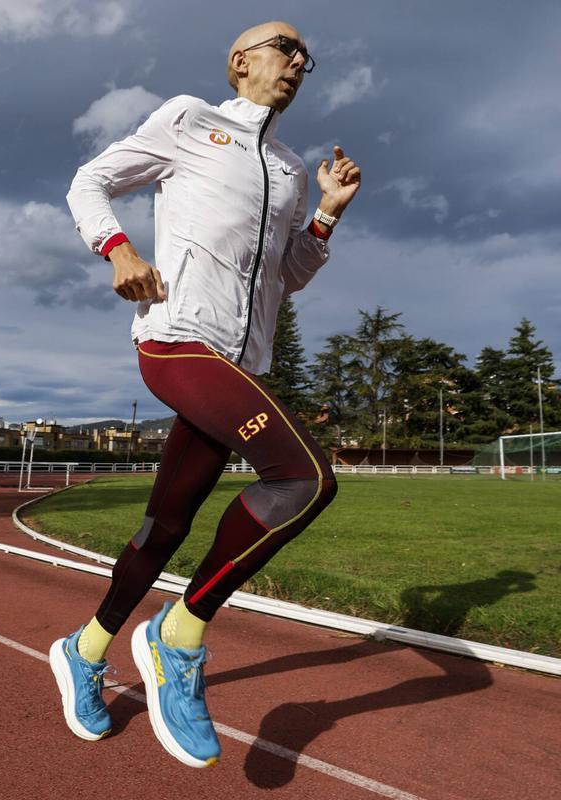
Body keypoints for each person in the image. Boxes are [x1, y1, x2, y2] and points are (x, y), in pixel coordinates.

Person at [50, 20, 361, 768]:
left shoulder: (290, 169)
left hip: (241, 364)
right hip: (177, 339)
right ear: (240, 61)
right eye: (283, 47)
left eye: (304, 57)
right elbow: (87, 182)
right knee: (305, 479)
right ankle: (178, 633)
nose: (296, 61)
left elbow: (285, 274)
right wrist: (117, 248)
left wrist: (325, 214)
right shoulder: (190, 119)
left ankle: (85, 649)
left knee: (166, 525)